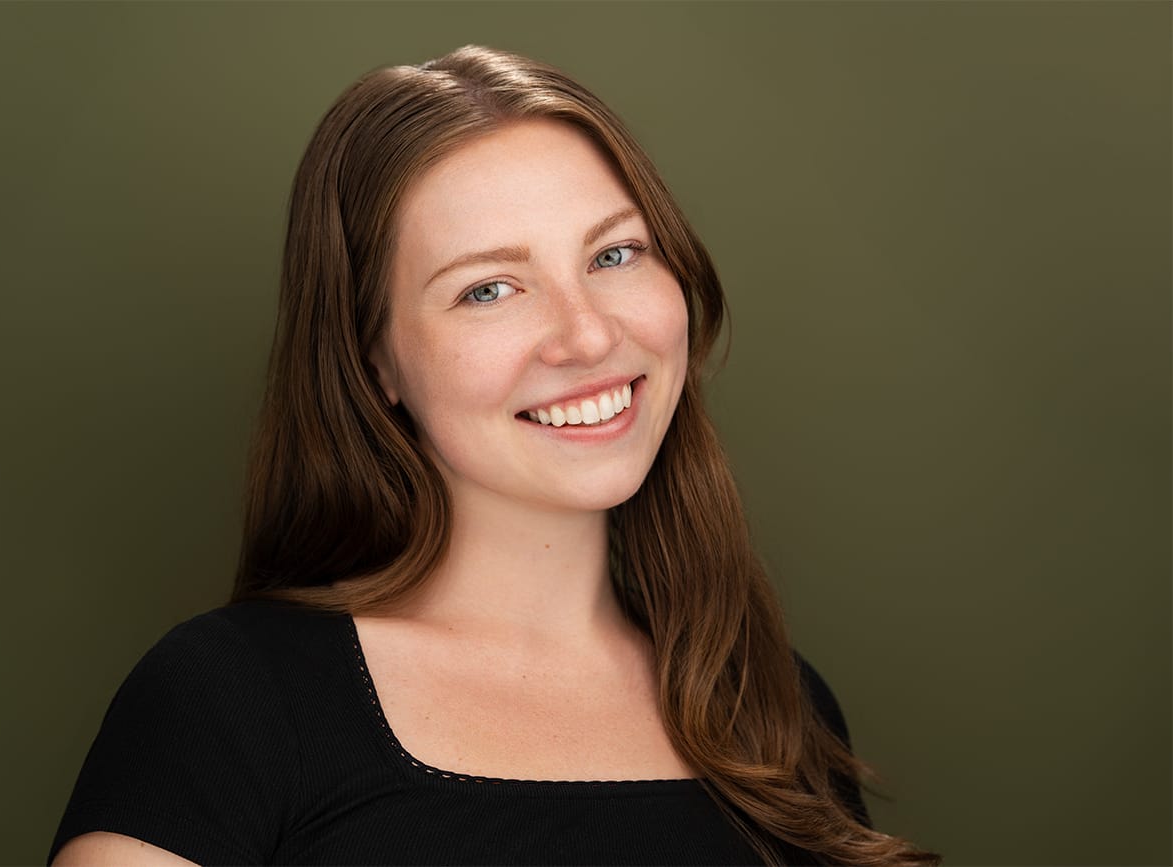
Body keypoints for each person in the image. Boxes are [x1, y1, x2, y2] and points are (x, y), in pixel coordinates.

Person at [49, 46, 938, 866]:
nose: (587, 334)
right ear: (374, 359)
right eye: (489, 288)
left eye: (615, 252)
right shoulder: (228, 702)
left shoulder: (772, 707)